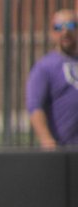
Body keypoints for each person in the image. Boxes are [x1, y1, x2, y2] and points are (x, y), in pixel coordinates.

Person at [26, 9, 78, 149]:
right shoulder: (45, 66)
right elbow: (34, 106)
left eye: (71, 26)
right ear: (53, 33)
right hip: (63, 150)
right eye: (59, 27)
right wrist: (47, 140)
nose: (65, 32)